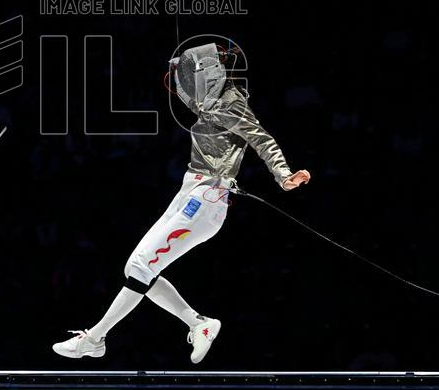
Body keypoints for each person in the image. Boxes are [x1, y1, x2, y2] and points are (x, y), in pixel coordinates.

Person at [52, 44, 311, 364]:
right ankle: (198, 324)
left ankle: (95, 338)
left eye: (201, 71)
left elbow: (261, 138)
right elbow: (183, 88)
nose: (194, 79)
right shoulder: (209, 101)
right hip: (189, 195)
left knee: (141, 267)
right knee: (137, 266)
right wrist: (180, 67)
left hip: (204, 203)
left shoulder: (233, 103)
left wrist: (283, 175)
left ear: (215, 72)